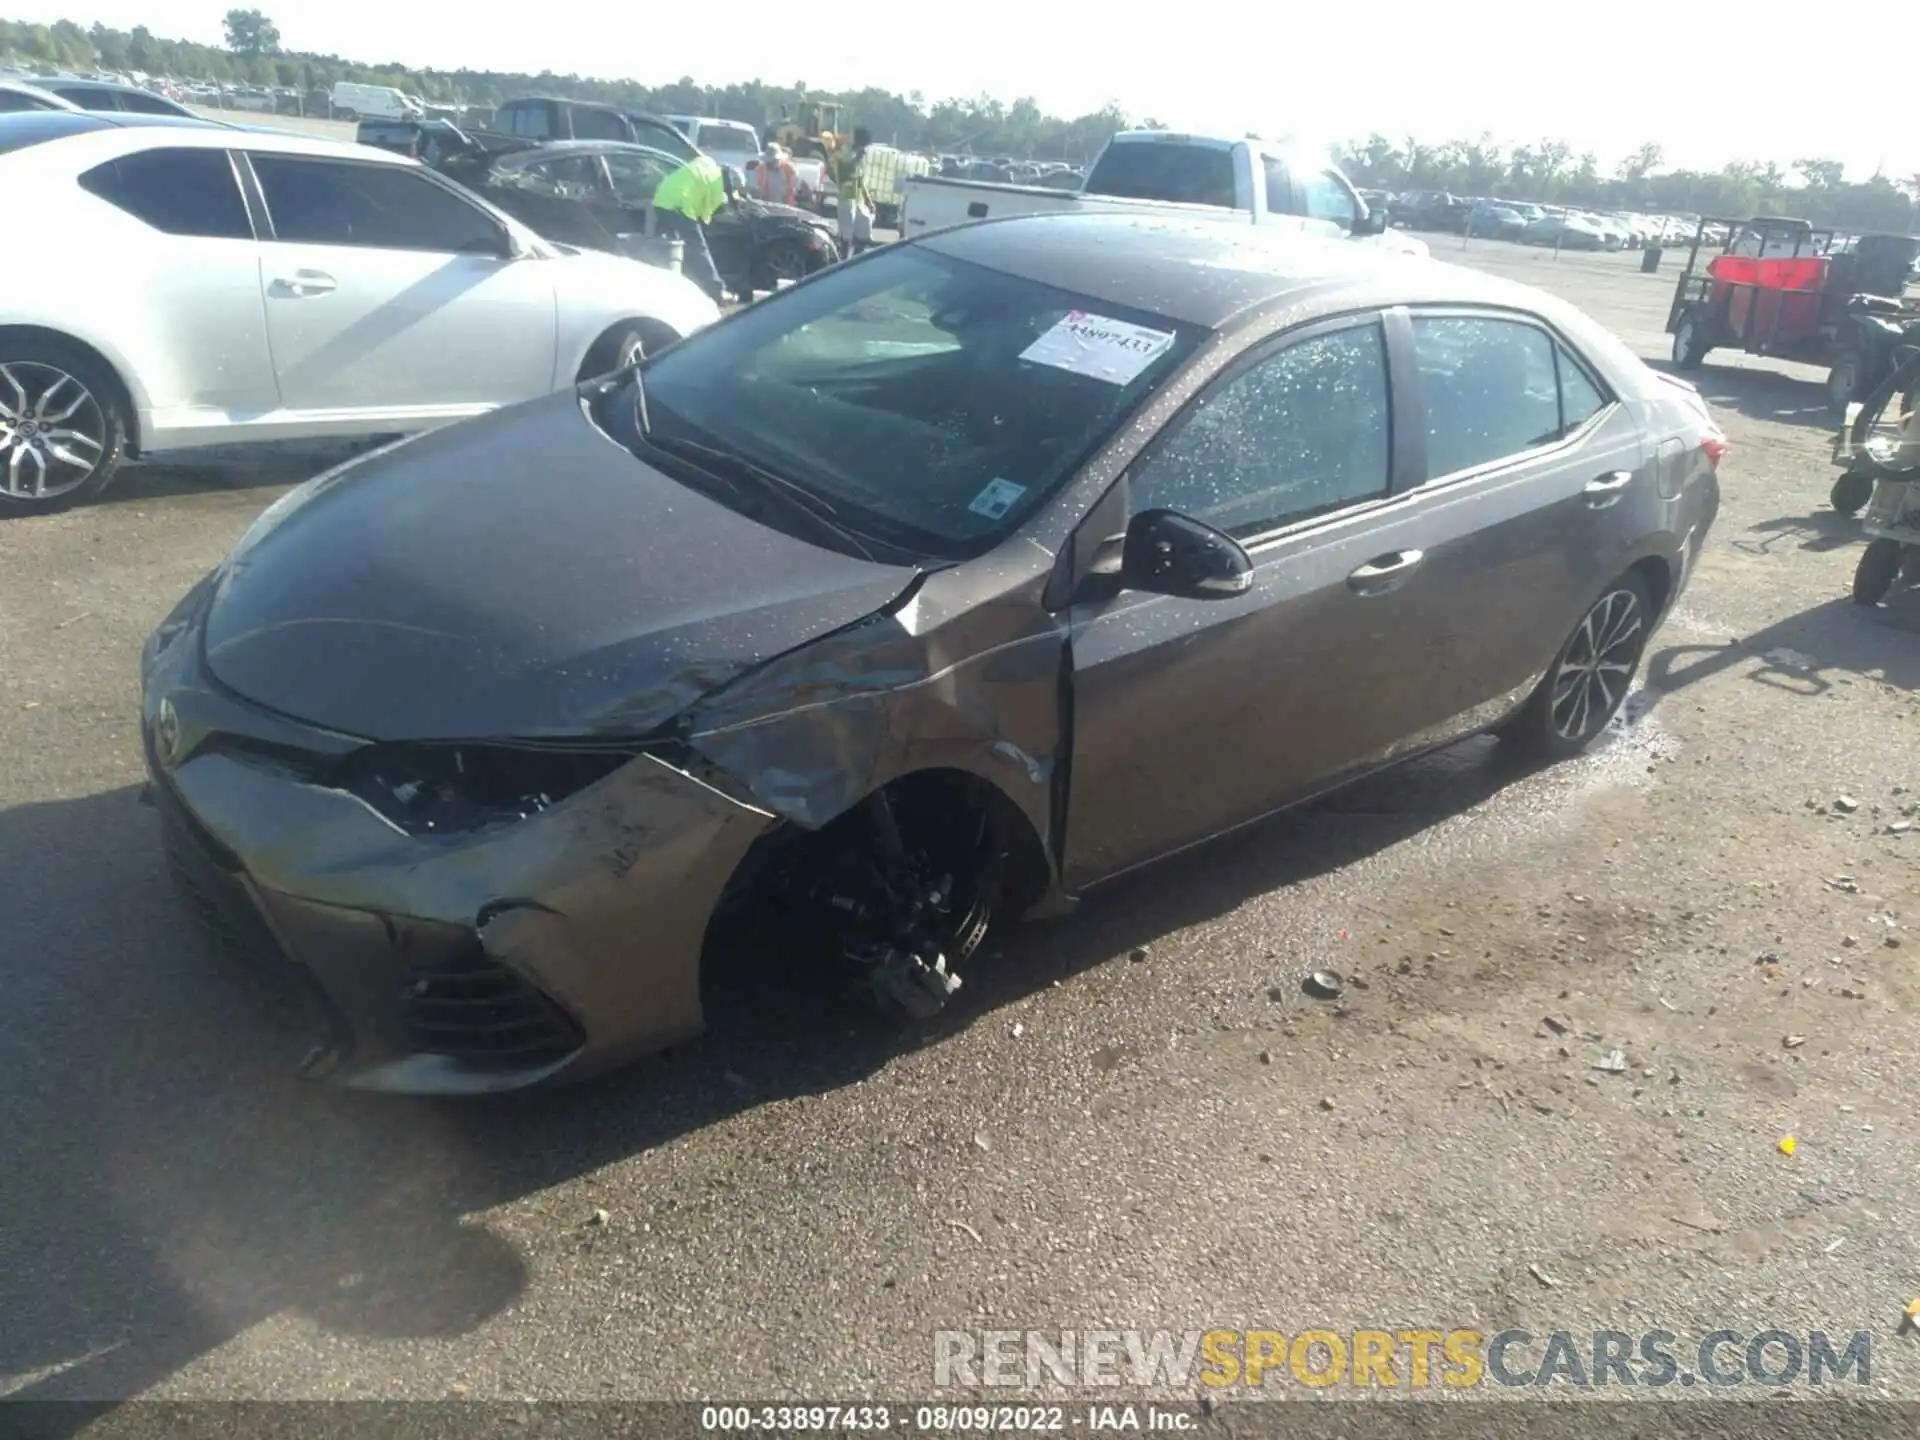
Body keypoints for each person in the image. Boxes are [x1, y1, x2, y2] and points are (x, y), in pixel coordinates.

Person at [650, 151, 729, 304]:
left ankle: (661, 287)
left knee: (662, 246)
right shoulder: (717, 181)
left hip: (661, 199)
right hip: (680, 205)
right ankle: (717, 291)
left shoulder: (702, 165)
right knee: (698, 249)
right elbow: (707, 212)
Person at [754, 142, 797, 207]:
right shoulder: (761, 169)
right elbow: (757, 188)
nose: (769, 164)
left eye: (772, 161)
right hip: (766, 206)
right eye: (767, 162)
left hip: (786, 207)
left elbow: (792, 189)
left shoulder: (789, 170)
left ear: (779, 160)